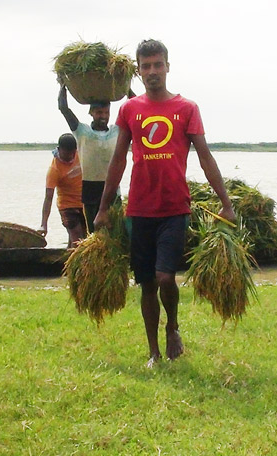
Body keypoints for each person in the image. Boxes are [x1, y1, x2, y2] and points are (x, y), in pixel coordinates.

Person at [94, 39, 236, 367]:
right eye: (146, 66)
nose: (153, 71)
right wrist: (103, 208)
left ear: (168, 67)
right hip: (139, 210)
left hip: (175, 208)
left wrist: (226, 203)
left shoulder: (186, 108)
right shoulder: (130, 110)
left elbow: (205, 157)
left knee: (165, 278)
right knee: (145, 284)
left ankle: (172, 327)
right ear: (138, 71)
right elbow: (118, 160)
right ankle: (153, 352)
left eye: (158, 65)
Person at [57, 86, 126, 233]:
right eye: (99, 112)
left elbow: (134, 107)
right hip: (90, 190)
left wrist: (127, 88)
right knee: (93, 235)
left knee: (117, 232)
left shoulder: (116, 131)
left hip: (113, 189)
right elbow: (63, 108)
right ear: (91, 113)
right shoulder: (82, 131)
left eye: (106, 112)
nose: (103, 116)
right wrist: (63, 85)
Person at [39, 133, 86, 247]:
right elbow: (48, 197)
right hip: (67, 207)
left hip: (84, 204)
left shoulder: (81, 155)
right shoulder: (54, 170)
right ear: (59, 150)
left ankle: (65, 262)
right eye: (66, 154)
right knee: (78, 240)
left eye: (72, 153)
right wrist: (44, 224)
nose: (70, 156)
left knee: (84, 237)